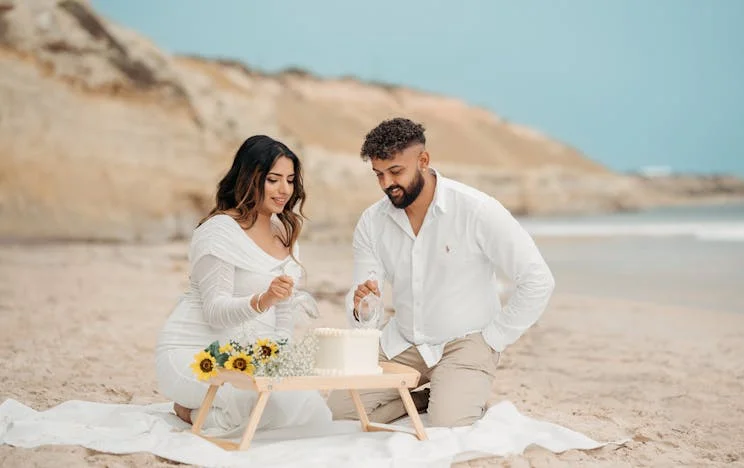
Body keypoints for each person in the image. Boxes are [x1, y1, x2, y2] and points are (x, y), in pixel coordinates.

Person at [327, 118, 556, 427]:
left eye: (396, 172)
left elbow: (537, 279)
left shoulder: (477, 209)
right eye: (378, 174)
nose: (386, 184)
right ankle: (424, 398)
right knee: (341, 410)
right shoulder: (372, 222)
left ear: (423, 161)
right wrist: (363, 307)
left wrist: (492, 340)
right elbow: (367, 316)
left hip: (465, 344)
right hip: (403, 342)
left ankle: (447, 399)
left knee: (447, 427)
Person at [155, 135, 332, 437]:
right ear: (250, 178)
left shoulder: (285, 234)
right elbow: (214, 312)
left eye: (290, 180)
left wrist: (279, 362)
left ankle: (212, 410)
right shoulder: (220, 230)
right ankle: (185, 408)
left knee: (308, 408)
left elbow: (284, 317)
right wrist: (262, 300)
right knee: (246, 402)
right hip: (194, 354)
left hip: (248, 356)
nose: (284, 190)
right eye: (273, 179)